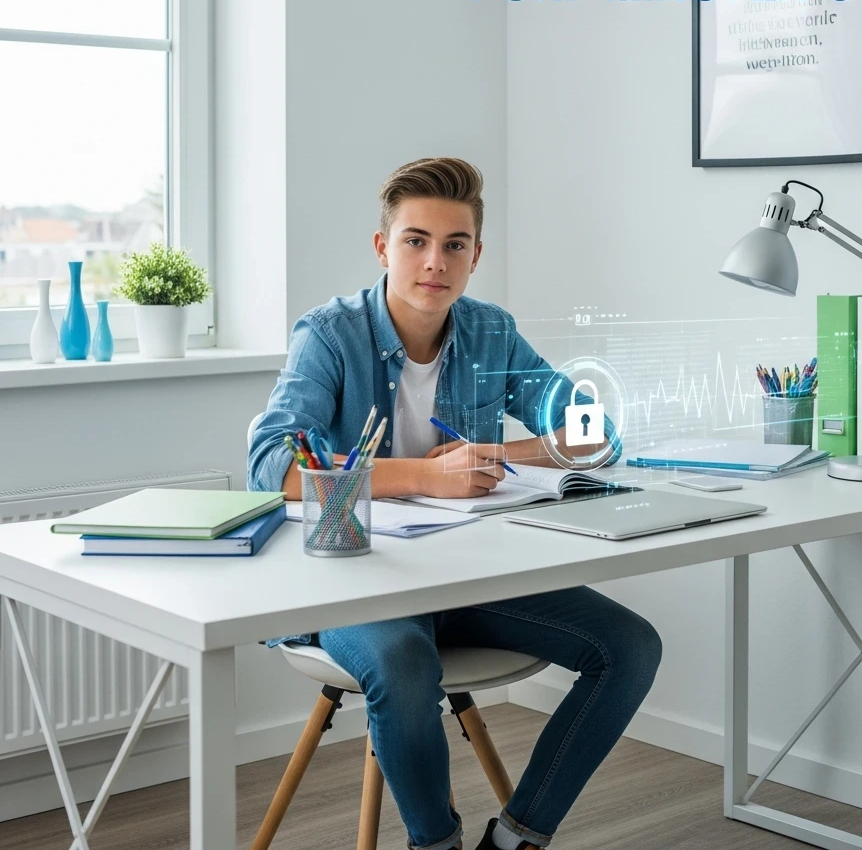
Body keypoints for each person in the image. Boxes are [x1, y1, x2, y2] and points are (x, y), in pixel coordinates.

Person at [248, 157, 662, 850]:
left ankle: (518, 839)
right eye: (415, 240)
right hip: (352, 580)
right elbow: (271, 470)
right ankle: (433, 843)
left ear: (476, 256)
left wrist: (502, 455)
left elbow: (600, 434)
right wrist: (423, 476)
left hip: (468, 578)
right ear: (384, 247)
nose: (434, 262)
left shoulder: (490, 333)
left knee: (629, 647)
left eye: (455, 245)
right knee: (405, 664)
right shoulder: (328, 336)